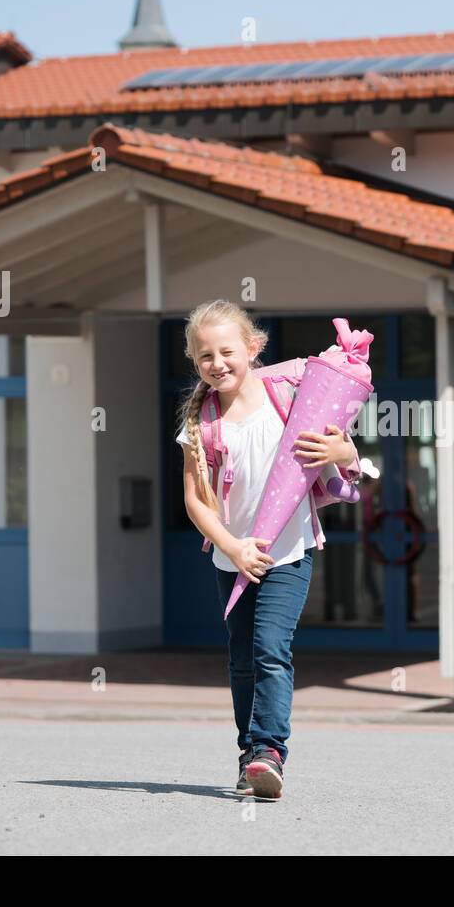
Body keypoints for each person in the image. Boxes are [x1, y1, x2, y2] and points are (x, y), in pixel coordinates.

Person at [177, 299, 360, 799]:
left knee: (269, 649)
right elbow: (195, 500)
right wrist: (232, 547)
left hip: (288, 552)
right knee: (240, 659)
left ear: (253, 348)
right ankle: (248, 753)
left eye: (227, 351)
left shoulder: (290, 399)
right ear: (195, 362)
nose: (218, 364)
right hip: (230, 556)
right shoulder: (202, 421)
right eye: (205, 357)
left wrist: (341, 451)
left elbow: (343, 448)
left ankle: (269, 751)